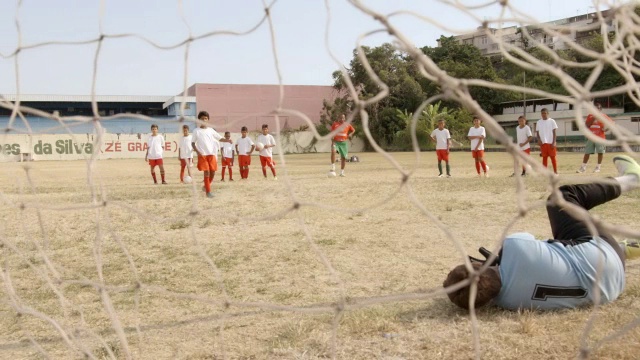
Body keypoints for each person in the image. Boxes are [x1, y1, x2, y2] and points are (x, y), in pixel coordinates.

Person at [443, 154, 640, 310]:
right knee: (560, 199)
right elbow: (545, 246)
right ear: (478, 266)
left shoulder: (508, 303)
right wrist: (502, 259)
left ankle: (625, 250)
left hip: (613, 286)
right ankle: (632, 179)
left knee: (565, 258)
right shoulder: (515, 248)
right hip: (604, 252)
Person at [191, 111, 232, 198]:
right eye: (202, 118)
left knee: (213, 172)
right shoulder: (196, 131)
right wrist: (197, 151)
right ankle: (208, 192)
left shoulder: (211, 130)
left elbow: (220, 138)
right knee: (206, 172)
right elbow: (193, 143)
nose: (204, 120)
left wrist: (227, 140)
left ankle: (206, 186)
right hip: (203, 155)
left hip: (211, 154)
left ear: (208, 120)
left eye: (206, 118)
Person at [577, 103, 612, 174]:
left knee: (600, 152)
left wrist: (606, 129)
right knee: (587, 152)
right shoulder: (590, 116)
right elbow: (587, 125)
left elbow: (612, 123)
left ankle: (598, 167)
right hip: (591, 137)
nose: (596, 109)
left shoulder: (604, 116)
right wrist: (594, 118)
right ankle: (583, 167)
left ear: (600, 109)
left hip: (600, 137)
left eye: (598, 108)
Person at [536, 108, 559, 175]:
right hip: (543, 143)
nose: (543, 115)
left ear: (547, 113)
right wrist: (538, 139)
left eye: (545, 113)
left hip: (550, 142)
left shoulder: (552, 121)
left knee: (553, 158)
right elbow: (537, 133)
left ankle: (555, 171)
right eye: (542, 113)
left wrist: (554, 142)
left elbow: (554, 132)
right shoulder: (538, 122)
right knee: (544, 158)